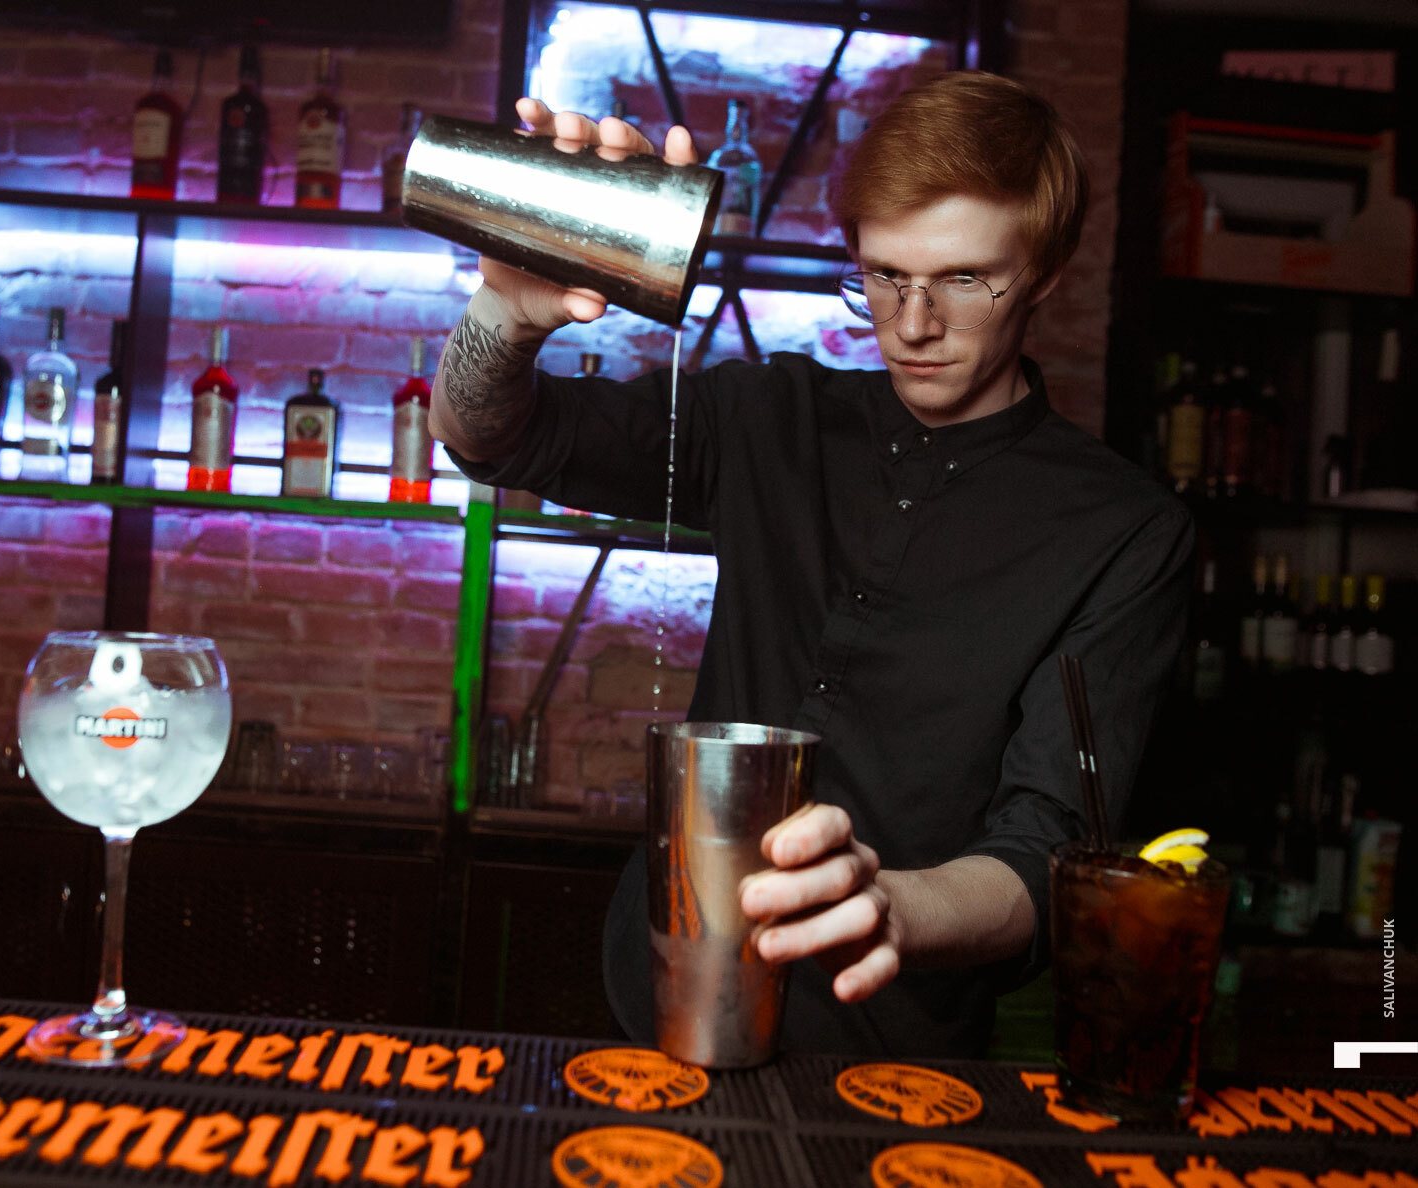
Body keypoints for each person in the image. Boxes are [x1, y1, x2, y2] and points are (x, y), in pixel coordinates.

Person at [429, 72, 1193, 1057]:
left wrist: (891, 905)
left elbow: (1047, 858)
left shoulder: (1123, 531)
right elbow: (493, 439)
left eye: (964, 279)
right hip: (658, 1000)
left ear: (1044, 273)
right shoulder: (769, 416)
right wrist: (505, 311)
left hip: (890, 1056)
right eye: (883, 276)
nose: (911, 324)